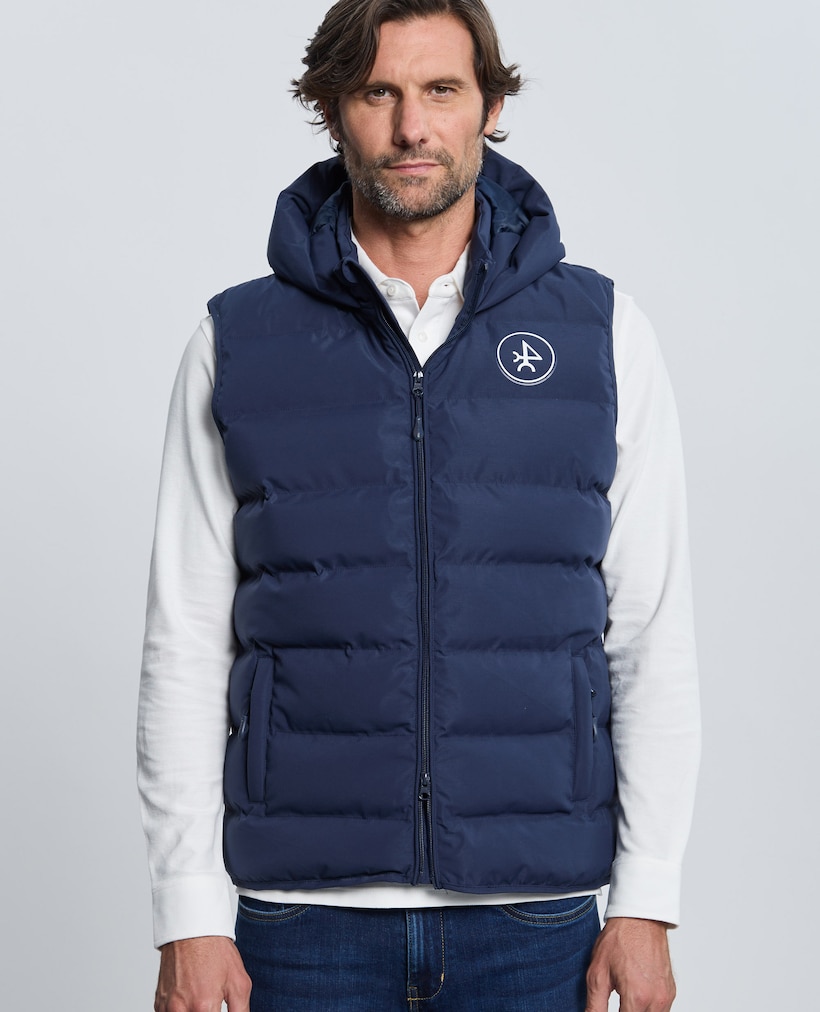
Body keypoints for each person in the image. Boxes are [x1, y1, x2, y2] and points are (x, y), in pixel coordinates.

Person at [138, 1, 700, 1009]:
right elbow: (183, 642)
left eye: (441, 90)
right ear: (333, 111)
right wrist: (187, 912)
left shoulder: (603, 334)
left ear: (489, 106)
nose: (411, 128)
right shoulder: (237, 342)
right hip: (297, 923)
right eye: (377, 93)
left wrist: (647, 897)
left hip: (535, 920)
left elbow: (650, 631)